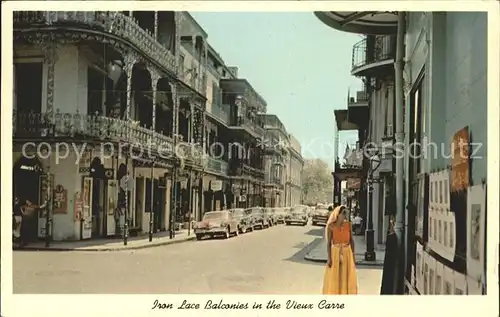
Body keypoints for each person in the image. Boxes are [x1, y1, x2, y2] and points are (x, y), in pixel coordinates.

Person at [322, 205, 358, 294]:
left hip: (347, 252)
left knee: (346, 274)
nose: (345, 215)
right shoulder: (331, 226)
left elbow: (351, 241)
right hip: (336, 252)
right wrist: (329, 258)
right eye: (343, 213)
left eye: (347, 213)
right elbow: (329, 243)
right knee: (336, 275)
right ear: (338, 214)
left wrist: (353, 255)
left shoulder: (348, 225)